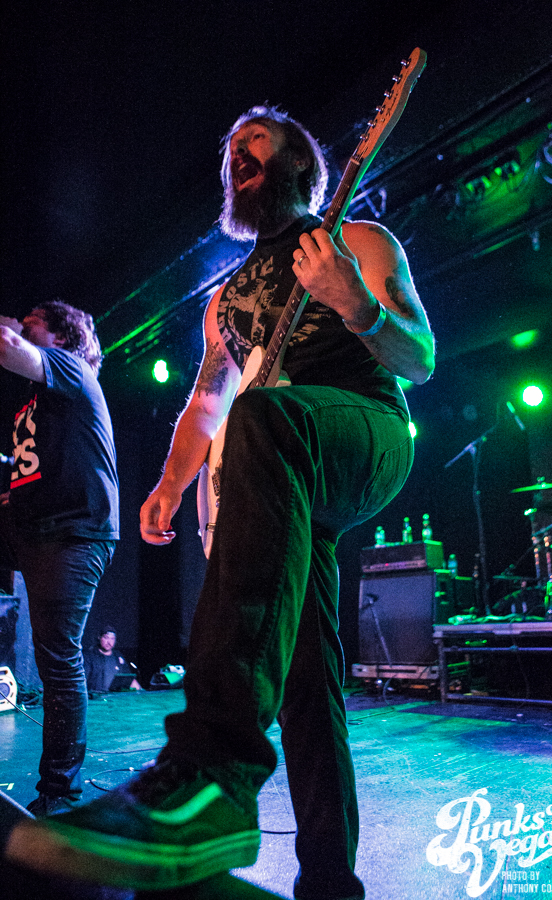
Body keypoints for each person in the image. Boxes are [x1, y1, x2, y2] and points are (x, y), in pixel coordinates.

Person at [6, 107, 435, 898]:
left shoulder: (357, 241)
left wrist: (355, 302)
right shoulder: (228, 299)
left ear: (301, 163)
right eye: (232, 148)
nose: (239, 153)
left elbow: (421, 357)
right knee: (308, 682)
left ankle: (212, 769)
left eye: (256, 142)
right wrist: (170, 483)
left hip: (367, 432)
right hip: (287, 468)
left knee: (266, 417)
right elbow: (208, 403)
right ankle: (330, 881)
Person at [0, 301, 119, 816]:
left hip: (75, 531)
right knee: (55, 652)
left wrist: (11, 329)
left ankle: (59, 793)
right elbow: (32, 470)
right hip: (35, 526)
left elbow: (8, 345)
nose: (23, 323)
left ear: (62, 334)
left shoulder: (70, 366)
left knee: (58, 655)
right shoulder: (38, 398)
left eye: (34, 321)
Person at [84, 626, 142, 693]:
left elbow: (128, 678)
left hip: (114, 697)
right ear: (99, 638)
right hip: (96, 696)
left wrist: (142, 692)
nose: (109, 642)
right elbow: (82, 679)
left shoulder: (118, 656)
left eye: (112, 639)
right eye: (106, 638)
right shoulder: (89, 656)